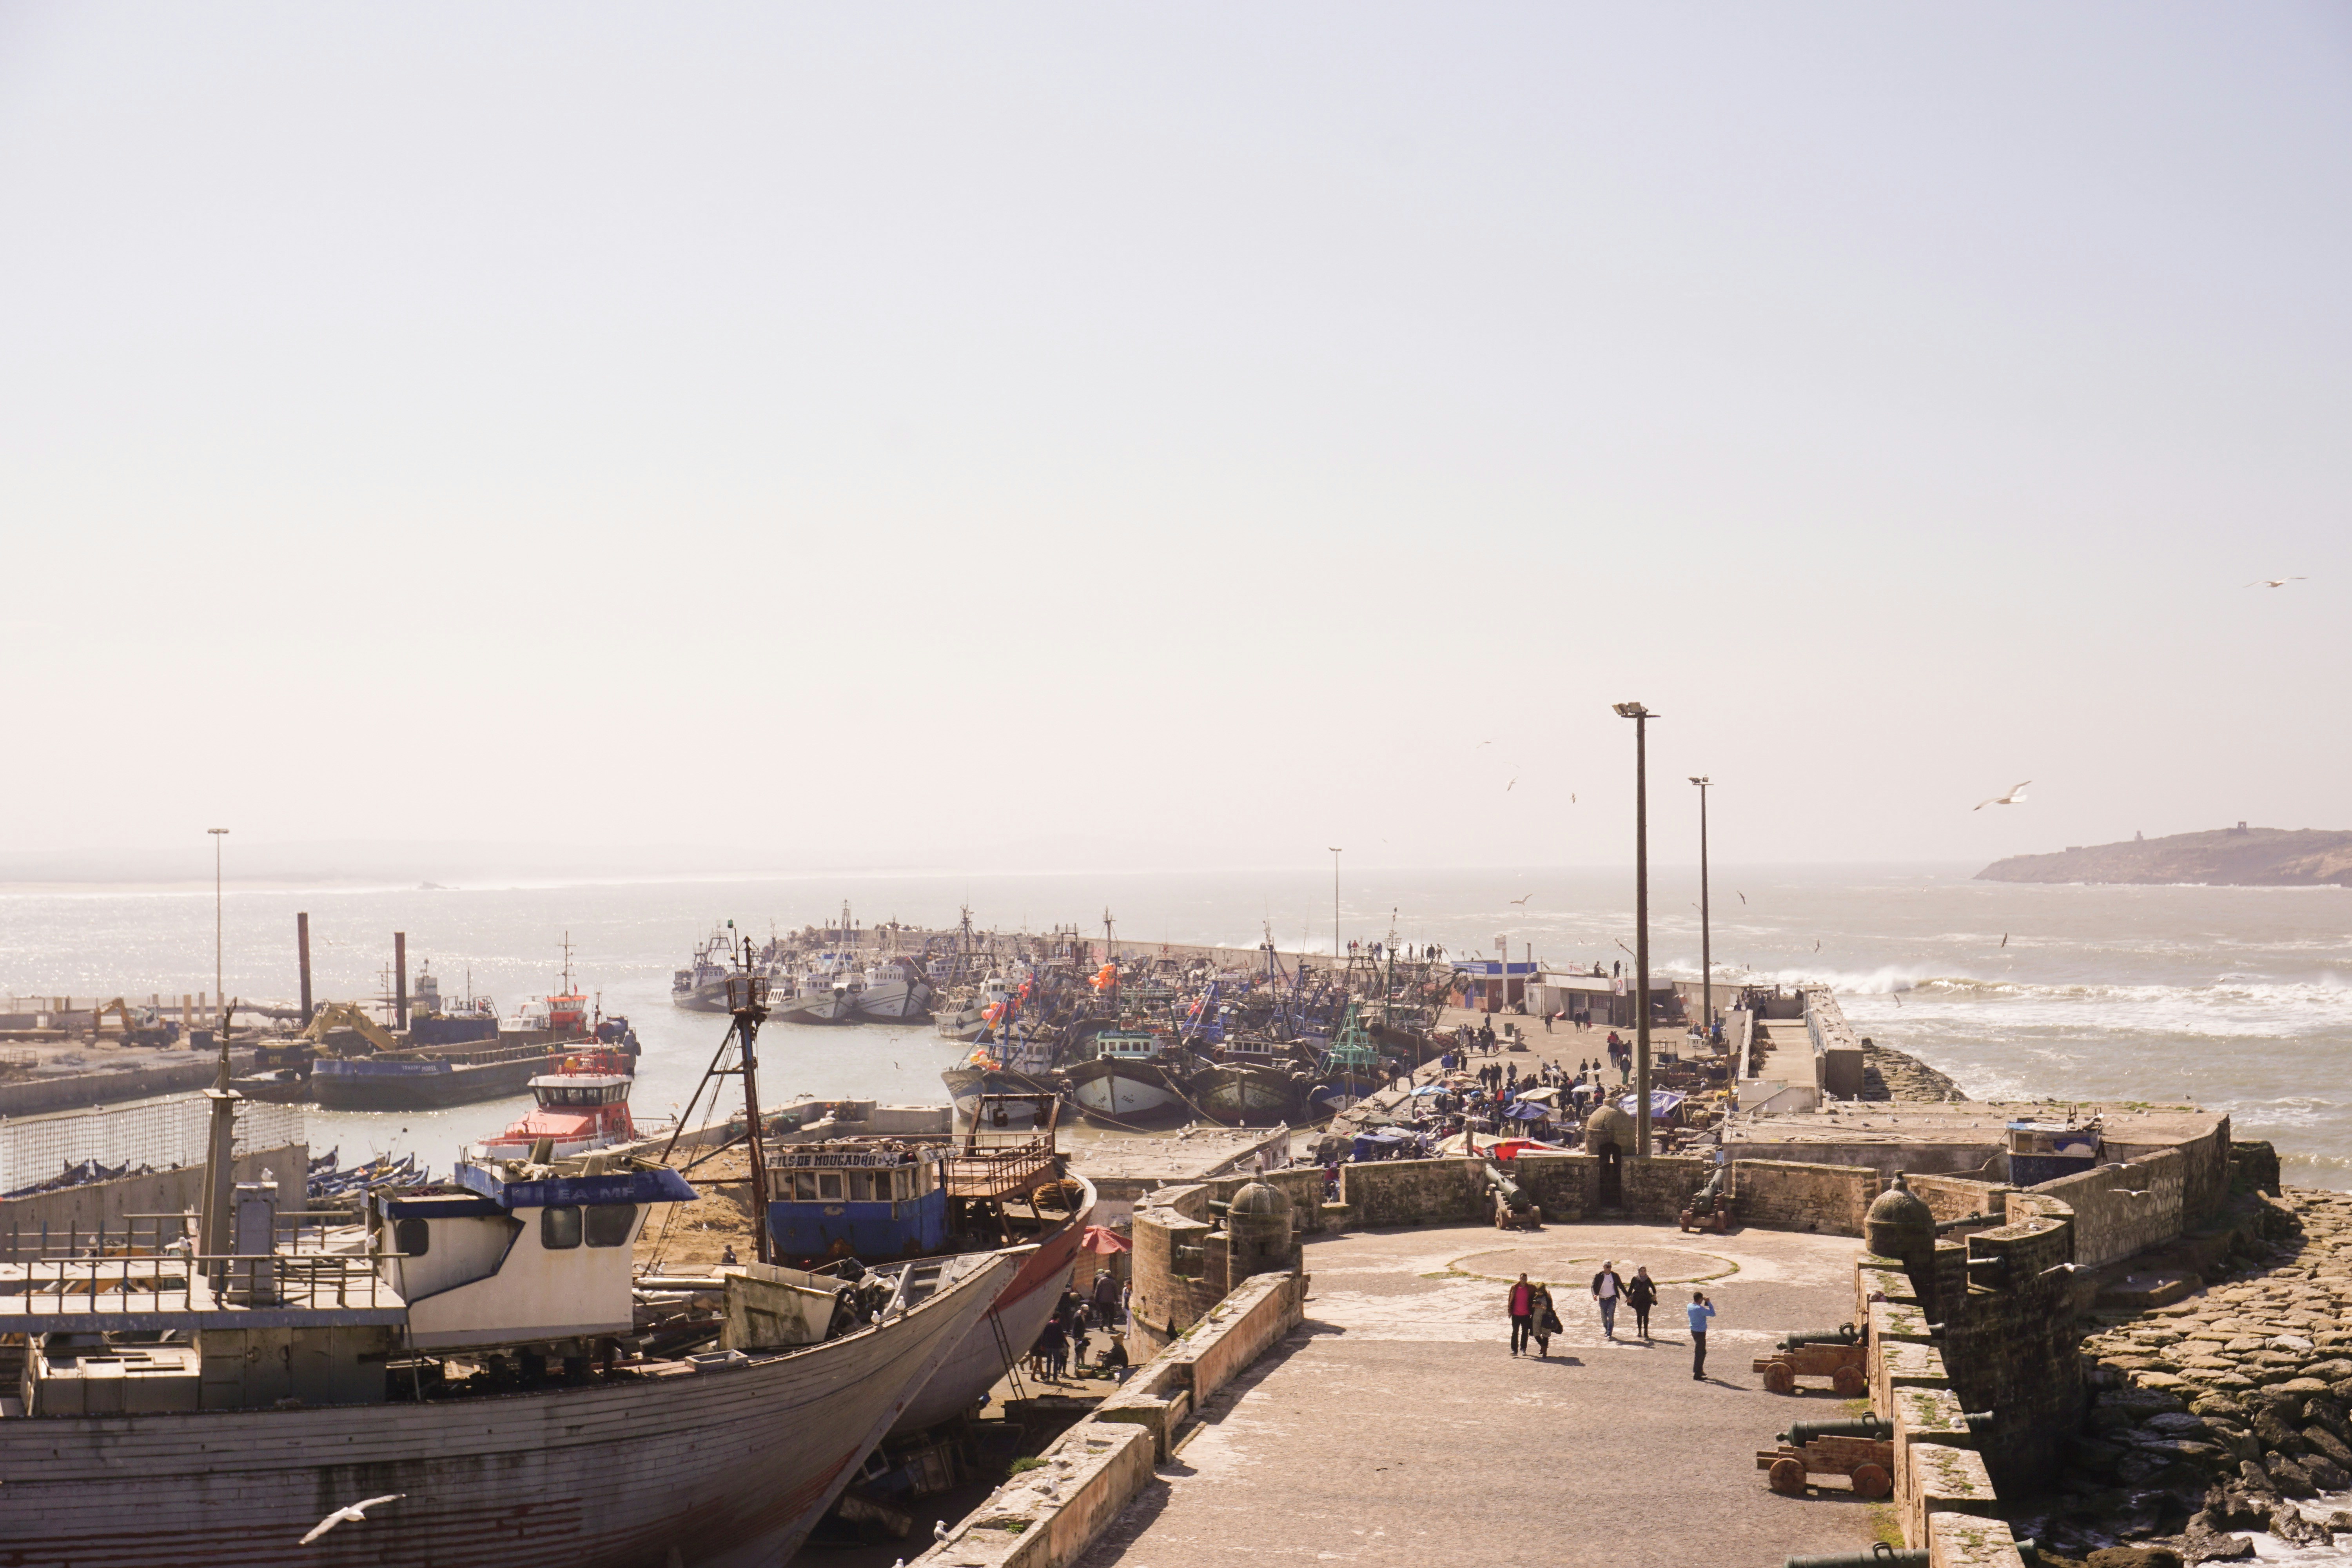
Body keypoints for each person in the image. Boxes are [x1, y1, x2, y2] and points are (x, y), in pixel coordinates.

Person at [1591, 1260, 1624, 1340]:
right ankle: (1607, 1329)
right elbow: (1593, 1286)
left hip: (1612, 1298)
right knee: (1604, 1318)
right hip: (1603, 1299)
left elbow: (1621, 1286)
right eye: (1607, 1267)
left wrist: (1628, 1296)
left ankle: (1609, 1333)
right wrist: (1594, 1294)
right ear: (1604, 1267)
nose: (1609, 1268)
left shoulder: (1615, 1276)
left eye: (1610, 1267)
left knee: (1611, 1317)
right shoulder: (1599, 1276)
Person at [1624, 1265, 1659, 1340]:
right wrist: (1629, 1297)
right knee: (1639, 1315)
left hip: (1646, 1299)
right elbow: (1630, 1290)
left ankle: (1646, 1332)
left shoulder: (1648, 1279)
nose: (1643, 1272)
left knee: (1646, 1315)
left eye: (1644, 1271)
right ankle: (1640, 1331)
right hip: (1638, 1299)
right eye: (1641, 1271)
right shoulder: (1635, 1279)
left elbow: (1654, 1289)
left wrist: (1654, 1296)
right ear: (1639, 1272)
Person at [1688, 1290, 1717, 1380]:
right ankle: (1697, 1374)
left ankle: (1700, 1370)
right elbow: (1713, 1314)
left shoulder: (1689, 1306)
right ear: (1700, 1299)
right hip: (1700, 1333)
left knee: (1702, 1352)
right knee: (1700, 1353)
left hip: (1694, 1331)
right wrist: (1709, 1302)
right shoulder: (1699, 1309)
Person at [1528, 1282, 1560, 1358]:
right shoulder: (1535, 1296)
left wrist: (1543, 1307)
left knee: (1546, 1335)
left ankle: (1545, 1353)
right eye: (1538, 1292)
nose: (1539, 1293)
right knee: (1536, 1334)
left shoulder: (1547, 1297)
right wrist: (1536, 1305)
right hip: (1536, 1318)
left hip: (1546, 1318)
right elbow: (1530, 1304)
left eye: (1540, 1292)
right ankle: (1543, 1346)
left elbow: (1550, 1307)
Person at [1507, 1273, 1534, 1356]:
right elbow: (1510, 1300)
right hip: (1516, 1314)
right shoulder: (1515, 1288)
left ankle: (1523, 1349)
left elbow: (1536, 1296)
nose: (1523, 1281)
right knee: (1515, 1332)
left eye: (1525, 1279)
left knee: (1525, 1332)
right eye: (1522, 1279)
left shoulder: (1530, 1288)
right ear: (1520, 1279)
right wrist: (1509, 1311)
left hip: (1526, 1315)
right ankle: (1514, 1350)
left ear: (1527, 1280)